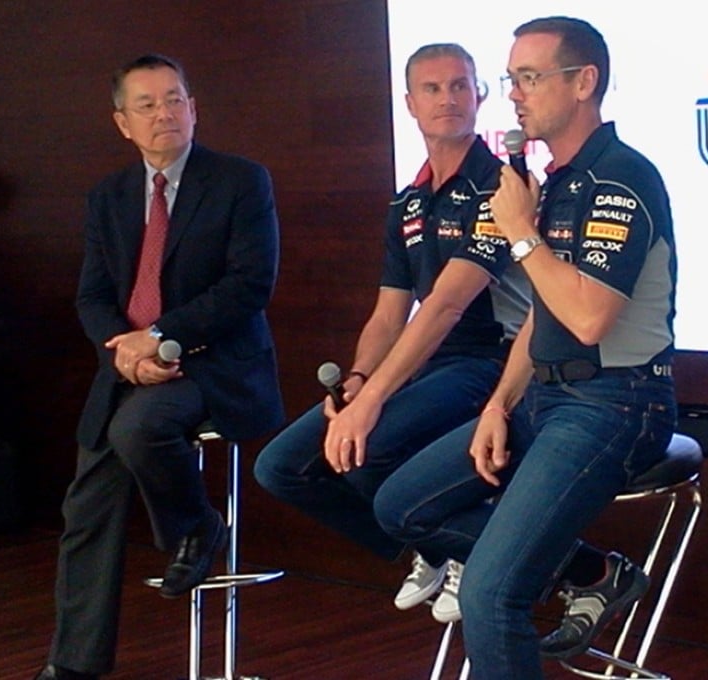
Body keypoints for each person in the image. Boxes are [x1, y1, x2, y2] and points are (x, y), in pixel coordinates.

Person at [373, 16, 678, 679]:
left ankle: (547, 573)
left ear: (583, 83)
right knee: (400, 506)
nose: (515, 93)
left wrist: (519, 234)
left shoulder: (619, 179)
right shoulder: (557, 181)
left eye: (530, 78)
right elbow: (543, 313)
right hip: (546, 392)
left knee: (488, 591)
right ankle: (593, 573)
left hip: (617, 401)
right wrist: (500, 403)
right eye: (512, 79)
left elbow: (589, 317)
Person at [252, 43, 529, 623]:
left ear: (480, 94)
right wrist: (357, 381)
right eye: (432, 88)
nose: (448, 98)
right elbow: (388, 315)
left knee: (366, 442)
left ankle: (464, 552)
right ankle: (433, 547)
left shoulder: (503, 186)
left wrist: (372, 400)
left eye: (460, 85)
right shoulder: (406, 201)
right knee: (281, 465)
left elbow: (447, 306)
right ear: (410, 103)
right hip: (424, 363)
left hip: (487, 362)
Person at [33, 54, 284, 680]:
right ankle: (72, 667)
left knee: (138, 429)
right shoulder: (109, 197)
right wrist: (126, 349)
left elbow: (249, 286)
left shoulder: (240, 181)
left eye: (174, 99)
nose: (164, 113)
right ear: (123, 122)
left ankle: (197, 527)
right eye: (146, 104)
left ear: (193, 108)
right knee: (84, 513)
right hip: (130, 370)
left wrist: (162, 339)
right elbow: (92, 296)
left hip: (214, 365)